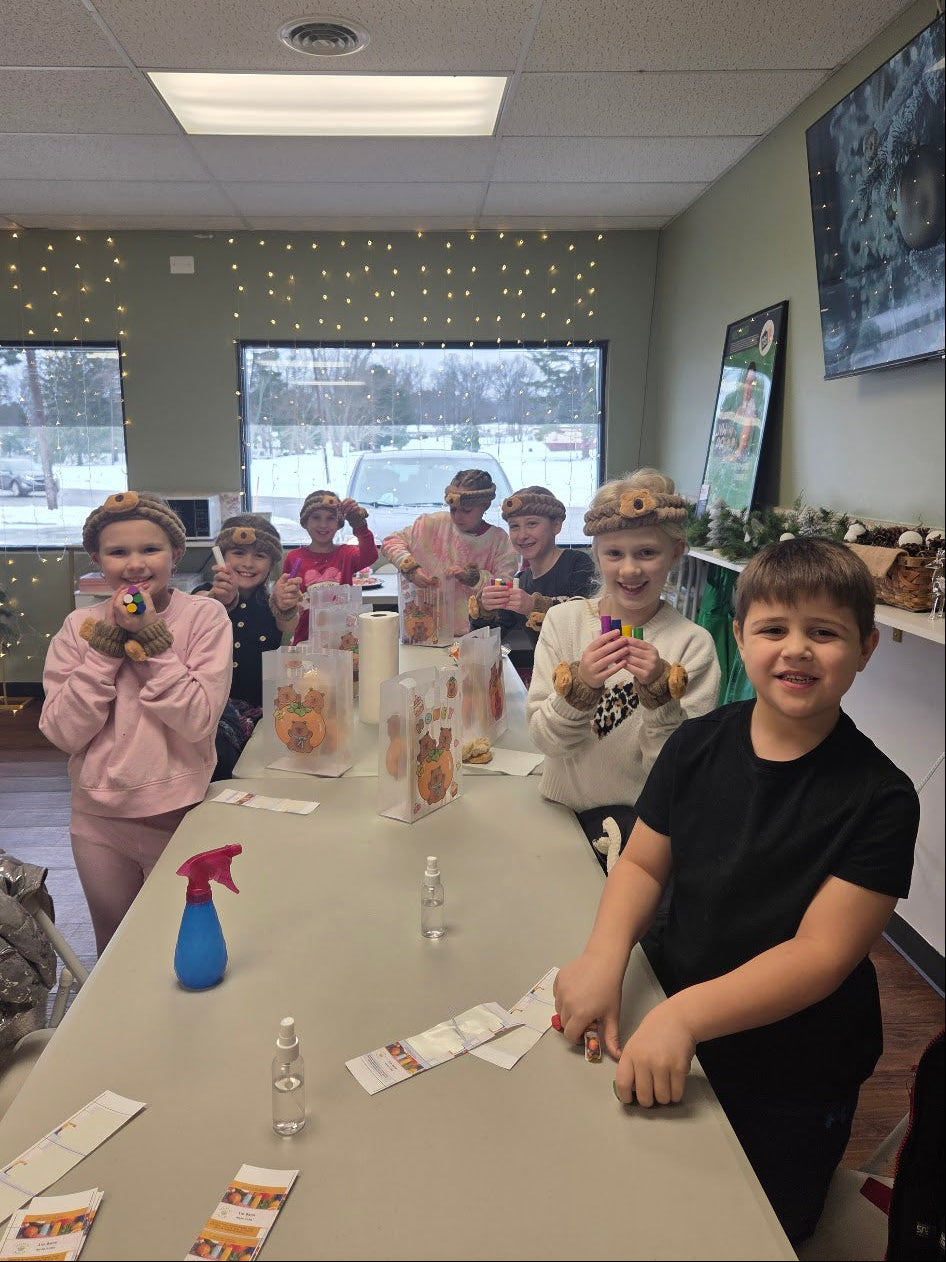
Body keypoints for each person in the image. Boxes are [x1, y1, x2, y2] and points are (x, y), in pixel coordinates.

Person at [552, 537, 920, 1247]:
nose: (797, 651)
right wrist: (604, 960)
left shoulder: (882, 798)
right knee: (648, 1204)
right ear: (741, 636)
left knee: (747, 1227)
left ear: (866, 647)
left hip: (789, 1071)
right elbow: (641, 866)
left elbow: (822, 954)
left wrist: (686, 1017)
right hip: (667, 1008)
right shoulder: (695, 746)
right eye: (774, 629)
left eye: (825, 632)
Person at [39, 492, 233, 955]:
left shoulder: (204, 617)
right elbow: (63, 732)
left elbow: (197, 720)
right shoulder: (77, 627)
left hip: (181, 814)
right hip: (99, 822)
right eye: (117, 551)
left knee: (181, 947)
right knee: (118, 953)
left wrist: (152, 639)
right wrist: (106, 647)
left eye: (150, 549)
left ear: (177, 554)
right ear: (97, 560)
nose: (135, 564)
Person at [527, 470, 720, 867]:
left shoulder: (691, 644)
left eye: (646, 553)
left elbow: (678, 773)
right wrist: (578, 691)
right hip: (559, 817)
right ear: (596, 554)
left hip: (641, 832)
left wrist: (660, 699)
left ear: (676, 552)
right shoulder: (565, 623)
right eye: (615, 553)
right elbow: (546, 742)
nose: (630, 570)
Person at [469, 486, 595, 677]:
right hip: (546, 677)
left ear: (556, 525)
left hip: (584, 676)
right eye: (514, 526)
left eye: (532, 524)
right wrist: (484, 611)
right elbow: (489, 640)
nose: (522, 535)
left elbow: (586, 617)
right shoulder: (521, 580)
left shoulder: (577, 563)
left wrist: (532, 606)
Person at [380, 468, 518, 637]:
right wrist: (410, 568)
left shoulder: (499, 541)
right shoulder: (430, 525)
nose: (457, 516)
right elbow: (390, 542)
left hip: (471, 635)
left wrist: (474, 578)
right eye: (453, 509)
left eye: (466, 511)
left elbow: (504, 585)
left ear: (485, 505)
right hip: (420, 628)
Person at [194, 514, 302, 708]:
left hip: (263, 708)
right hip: (215, 709)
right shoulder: (206, 595)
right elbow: (199, 605)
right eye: (238, 552)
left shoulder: (271, 601)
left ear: (272, 564)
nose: (248, 563)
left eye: (260, 556)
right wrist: (219, 601)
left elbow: (287, 624)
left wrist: (284, 606)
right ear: (222, 556)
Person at [282, 490, 377, 645]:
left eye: (331, 518)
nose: (323, 525)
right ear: (305, 522)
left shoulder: (347, 554)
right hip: (305, 639)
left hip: (343, 639)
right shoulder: (294, 558)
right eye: (316, 517)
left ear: (339, 524)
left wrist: (358, 524)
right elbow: (287, 596)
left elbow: (370, 555)